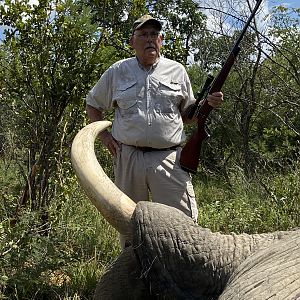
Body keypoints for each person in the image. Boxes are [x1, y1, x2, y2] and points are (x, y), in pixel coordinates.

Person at [86, 14, 223, 246]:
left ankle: (181, 277)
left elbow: (187, 116)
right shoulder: (117, 71)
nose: (150, 39)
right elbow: (92, 104)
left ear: (161, 40)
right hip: (128, 157)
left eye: (154, 35)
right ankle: (135, 279)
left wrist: (207, 104)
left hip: (169, 157)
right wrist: (105, 136)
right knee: (130, 227)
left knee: (182, 228)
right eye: (143, 35)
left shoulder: (177, 71)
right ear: (132, 42)